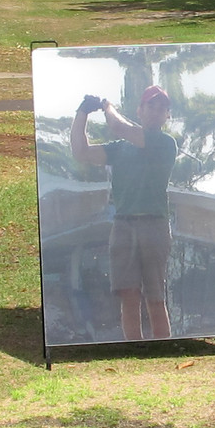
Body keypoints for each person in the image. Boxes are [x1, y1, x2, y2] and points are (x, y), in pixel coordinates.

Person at [70, 85, 179, 340]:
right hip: (123, 225)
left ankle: (161, 350)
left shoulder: (165, 143)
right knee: (128, 296)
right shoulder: (119, 148)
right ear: (140, 110)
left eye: (162, 108)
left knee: (155, 296)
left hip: (154, 225)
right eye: (151, 106)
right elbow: (81, 152)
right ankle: (135, 350)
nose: (156, 111)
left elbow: (120, 127)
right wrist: (83, 113)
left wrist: (106, 105)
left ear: (167, 116)